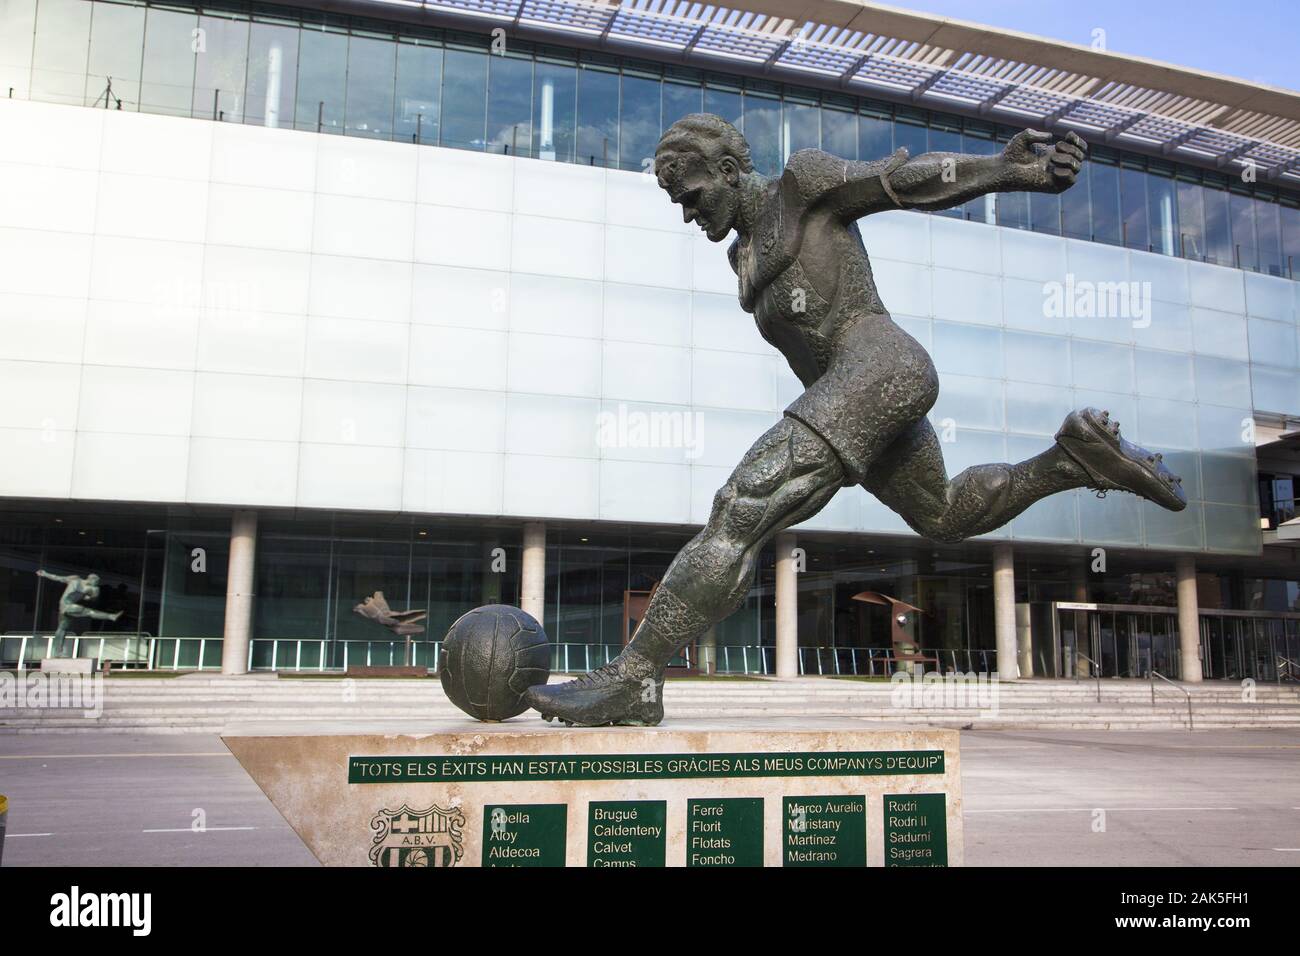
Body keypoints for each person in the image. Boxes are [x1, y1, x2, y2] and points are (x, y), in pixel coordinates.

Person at [525, 115, 1185, 726]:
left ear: (729, 170)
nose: (689, 212)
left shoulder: (803, 185)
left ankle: (636, 678)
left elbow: (903, 183)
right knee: (947, 516)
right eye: (679, 202)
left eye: (693, 194)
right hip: (861, 396)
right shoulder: (742, 257)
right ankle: (1070, 460)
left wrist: (1007, 171)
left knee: (739, 508)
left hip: (879, 368)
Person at [36, 569, 123, 655]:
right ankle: (111, 616)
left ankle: (57, 651)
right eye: (96, 582)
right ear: (91, 579)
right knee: (89, 612)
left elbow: (91, 598)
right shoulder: (79, 581)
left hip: (64, 606)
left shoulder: (83, 584)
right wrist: (45, 574)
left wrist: (45, 574)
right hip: (68, 606)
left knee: (62, 628)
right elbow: (59, 578)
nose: (96, 584)